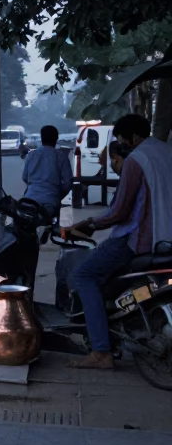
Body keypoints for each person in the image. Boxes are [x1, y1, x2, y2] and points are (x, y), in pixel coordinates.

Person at [62, 114, 172, 369]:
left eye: (123, 141)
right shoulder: (166, 152)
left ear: (133, 138)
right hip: (166, 238)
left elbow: (119, 212)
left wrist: (89, 223)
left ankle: (101, 351)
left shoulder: (136, 160)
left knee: (84, 276)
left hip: (139, 239)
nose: (122, 147)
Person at [21, 125, 73, 219]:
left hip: (29, 201)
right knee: (51, 228)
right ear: (56, 139)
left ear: (41, 138)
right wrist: (58, 195)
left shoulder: (31, 155)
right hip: (50, 203)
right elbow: (68, 183)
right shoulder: (61, 156)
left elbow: (25, 177)